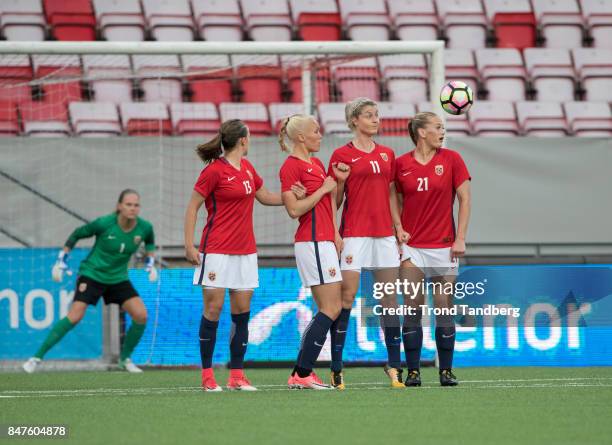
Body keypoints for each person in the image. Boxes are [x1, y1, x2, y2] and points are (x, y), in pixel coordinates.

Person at [184, 119, 306, 392]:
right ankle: (207, 376)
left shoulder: (249, 169)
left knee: (241, 313)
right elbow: (193, 207)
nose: (250, 141)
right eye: (249, 137)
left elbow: (265, 197)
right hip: (215, 250)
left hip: (246, 252)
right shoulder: (213, 171)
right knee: (213, 309)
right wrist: (189, 246)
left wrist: (292, 195)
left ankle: (237, 376)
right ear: (242, 140)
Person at [22, 189, 157, 374]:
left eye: (136, 205)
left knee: (141, 315)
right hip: (92, 274)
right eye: (128, 204)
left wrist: (150, 263)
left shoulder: (145, 227)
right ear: (119, 206)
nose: (133, 208)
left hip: (118, 278)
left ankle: (124, 360)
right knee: (75, 315)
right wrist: (62, 258)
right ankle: (36, 358)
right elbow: (77, 234)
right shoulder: (104, 224)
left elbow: (150, 242)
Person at [327, 98, 409, 388]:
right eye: (369, 115)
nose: (376, 120)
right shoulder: (341, 154)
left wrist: (398, 227)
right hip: (354, 234)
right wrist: (338, 182)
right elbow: (334, 201)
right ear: (354, 121)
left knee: (389, 299)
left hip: (385, 236)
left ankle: (394, 365)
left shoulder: (388, 154)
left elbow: (390, 194)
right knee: (346, 298)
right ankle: (337, 367)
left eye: (377, 115)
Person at [394, 112, 471, 387]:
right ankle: (413, 371)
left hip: (444, 247)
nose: (443, 132)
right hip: (412, 249)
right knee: (413, 308)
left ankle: (445, 371)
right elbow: (394, 199)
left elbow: (465, 199)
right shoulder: (401, 164)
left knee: (443, 307)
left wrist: (460, 237)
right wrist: (397, 230)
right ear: (422, 132)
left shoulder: (452, 159)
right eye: (438, 127)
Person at [279, 114, 343, 390]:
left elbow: (328, 205)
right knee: (331, 308)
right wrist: (323, 190)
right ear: (301, 137)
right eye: (315, 131)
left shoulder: (316, 164)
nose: (320, 135)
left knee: (329, 308)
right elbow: (294, 210)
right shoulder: (290, 168)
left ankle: (300, 372)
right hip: (312, 242)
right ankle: (303, 373)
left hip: (324, 240)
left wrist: (336, 233)